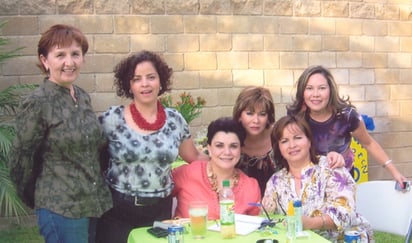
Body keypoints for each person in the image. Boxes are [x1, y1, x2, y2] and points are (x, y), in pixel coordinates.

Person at [9, 24, 112, 243]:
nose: (69, 62)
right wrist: (38, 197)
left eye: (76, 54)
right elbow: (21, 160)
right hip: (61, 208)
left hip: (93, 204)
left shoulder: (82, 97)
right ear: (45, 61)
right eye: (60, 55)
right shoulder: (37, 103)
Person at [95, 50, 208, 243]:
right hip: (117, 212)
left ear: (161, 81)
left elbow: (194, 157)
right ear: (129, 85)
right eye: (137, 79)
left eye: (151, 77)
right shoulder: (112, 119)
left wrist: (227, 156)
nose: (145, 84)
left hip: (159, 214)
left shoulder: (175, 121)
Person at [287, 65, 406, 186]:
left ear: (331, 90)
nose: (315, 94)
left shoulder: (347, 116)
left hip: (341, 184)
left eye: (322, 88)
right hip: (308, 183)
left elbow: (368, 143)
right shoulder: (297, 116)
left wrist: (395, 172)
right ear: (302, 91)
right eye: (309, 88)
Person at [262, 115, 374, 242]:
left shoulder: (331, 167)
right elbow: (271, 220)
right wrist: (266, 209)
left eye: (297, 138)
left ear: (309, 140)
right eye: (284, 141)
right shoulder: (275, 181)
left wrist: (310, 223)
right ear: (279, 147)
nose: (292, 145)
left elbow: (345, 213)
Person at [233, 86, 345, 194]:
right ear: (239, 115)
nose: (256, 120)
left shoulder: (281, 134)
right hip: (241, 206)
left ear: (268, 116)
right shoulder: (231, 142)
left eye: (262, 114)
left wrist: (334, 156)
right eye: (249, 113)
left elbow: (308, 155)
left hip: (286, 204)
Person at [172, 117, 261, 219]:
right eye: (219, 146)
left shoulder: (251, 187)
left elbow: (256, 229)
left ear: (240, 150)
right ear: (209, 149)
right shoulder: (187, 174)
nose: (227, 152)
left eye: (233, 146)